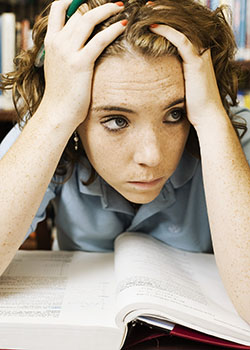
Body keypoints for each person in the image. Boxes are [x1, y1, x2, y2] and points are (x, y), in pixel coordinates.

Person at [0, 0, 249, 324]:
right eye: (116, 120)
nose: (152, 156)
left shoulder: (228, 131)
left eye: (175, 114)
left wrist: (212, 119)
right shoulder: (54, 123)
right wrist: (54, 115)